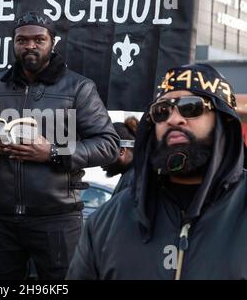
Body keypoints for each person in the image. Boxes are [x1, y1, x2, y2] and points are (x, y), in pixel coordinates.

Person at [0, 11, 119, 280]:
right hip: (0, 216)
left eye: (39, 39)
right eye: (22, 40)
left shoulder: (78, 87)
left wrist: (52, 152)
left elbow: (108, 145)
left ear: (53, 42)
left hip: (57, 217)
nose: (30, 46)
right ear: (13, 43)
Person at [67, 63, 247, 280]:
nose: (173, 119)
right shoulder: (108, 221)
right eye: (162, 111)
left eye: (191, 107)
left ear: (224, 121)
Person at [102, 116, 139, 196]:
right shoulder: (132, 175)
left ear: (121, 151)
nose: (99, 161)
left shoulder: (132, 181)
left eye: (103, 153)